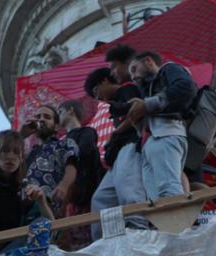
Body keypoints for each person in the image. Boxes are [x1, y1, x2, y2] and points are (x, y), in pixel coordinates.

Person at [84, 67, 146, 238]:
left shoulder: (127, 89)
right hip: (118, 155)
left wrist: (115, 133)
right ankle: (107, 243)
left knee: (129, 190)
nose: (97, 97)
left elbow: (136, 112)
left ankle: (139, 233)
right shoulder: (113, 105)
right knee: (101, 199)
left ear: (105, 81)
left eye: (96, 90)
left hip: (131, 146)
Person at [127, 51, 198, 200]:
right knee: (155, 199)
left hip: (166, 134)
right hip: (151, 142)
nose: (133, 77)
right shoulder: (148, 87)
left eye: (134, 69)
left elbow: (186, 88)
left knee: (169, 190)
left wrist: (146, 105)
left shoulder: (169, 69)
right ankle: (170, 223)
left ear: (148, 61)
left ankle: (179, 223)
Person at [58, 100, 103, 247]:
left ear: (70, 111)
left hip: (86, 196)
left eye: (60, 112)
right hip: (71, 199)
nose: (58, 116)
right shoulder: (61, 142)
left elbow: (85, 153)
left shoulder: (87, 132)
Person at [22, 105, 79, 218]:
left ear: (56, 127)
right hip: (22, 209)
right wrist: (22, 135)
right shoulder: (27, 152)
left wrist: (64, 186)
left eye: (47, 117)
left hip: (48, 207)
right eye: (37, 117)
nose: (41, 119)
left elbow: (71, 167)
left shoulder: (65, 144)